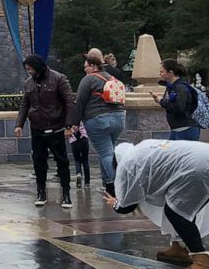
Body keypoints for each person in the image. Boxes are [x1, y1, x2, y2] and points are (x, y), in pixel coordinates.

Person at [104, 140, 209, 269]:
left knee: (177, 212)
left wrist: (115, 203)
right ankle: (179, 248)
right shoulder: (142, 149)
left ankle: (203, 262)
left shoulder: (129, 164)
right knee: (177, 206)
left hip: (202, 168)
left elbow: (128, 204)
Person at [14, 55, 77, 208]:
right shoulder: (29, 83)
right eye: (27, 69)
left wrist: (69, 126)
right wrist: (19, 124)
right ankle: (41, 192)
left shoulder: (59, 79)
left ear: (37, 67)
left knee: (62, 161)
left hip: (56, 126)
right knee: (39, 162)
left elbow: (69, 103)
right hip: (37, 127)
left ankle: (66, 194)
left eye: (30, 69)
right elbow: (25, 104)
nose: (28, 72)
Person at [69, 51, 126, 197]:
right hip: (119, 118)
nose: (85, 69)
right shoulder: (111, 77)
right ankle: (107, 184)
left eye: (86, 66)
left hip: (98, 120)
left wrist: (74, 123)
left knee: (106, 154)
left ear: (94, 66)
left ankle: (118, 186)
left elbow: (80, 102)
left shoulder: (89, 79)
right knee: (107, 151)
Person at [151, 59, 201, 141]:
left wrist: (161, 101)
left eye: (162, 72)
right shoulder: (171, 87)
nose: (160, 74)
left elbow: (179, 107)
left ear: (170, 73)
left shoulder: (180, 87)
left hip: (186, 129)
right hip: (176, 129)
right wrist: (161, 100)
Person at [69, 122, 90, 190]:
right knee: (85, 161)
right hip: (84, 138)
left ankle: (78, 173)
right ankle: (87, 183)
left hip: (73, 140)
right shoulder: (83, 118)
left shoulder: (70, 119)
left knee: (77, 159)